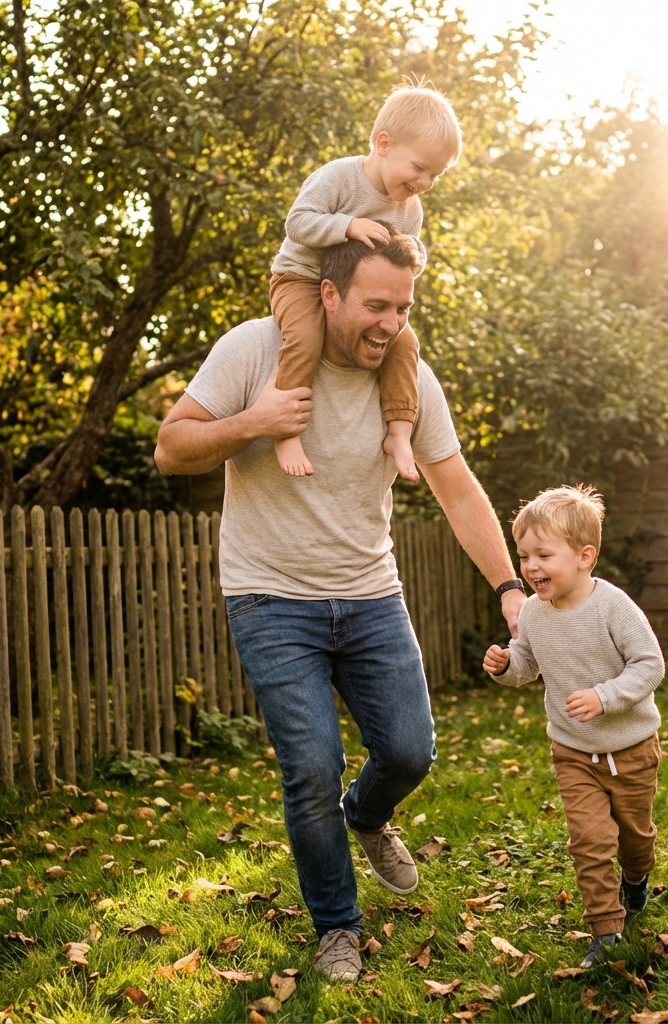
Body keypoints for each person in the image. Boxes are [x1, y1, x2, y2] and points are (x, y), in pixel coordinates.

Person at [154, 228, 526, 982]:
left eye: (404, 307)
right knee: (312, 769)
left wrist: (511, 588)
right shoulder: (255, 350)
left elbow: (456, 488)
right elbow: (171, 447)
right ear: (328, 294)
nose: (390, 324)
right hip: (269, 597)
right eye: (375, 305)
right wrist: (255, 423)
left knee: (409, 751)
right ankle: (337, 927)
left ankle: (367, 815)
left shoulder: (407, 377)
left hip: (369, 595)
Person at [483, 485, 665, 968]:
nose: (531, 567)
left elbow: (650, 665)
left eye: (544, 554)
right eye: (524, 556)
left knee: (634, 839)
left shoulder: (613, 606)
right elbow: (527, 664)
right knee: (589, 841)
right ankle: (605, 931)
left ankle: (637, 878)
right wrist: (506, 666)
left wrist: (604, 697)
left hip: (631, 748)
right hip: (573, 752)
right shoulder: (532, 615)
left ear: (585, 557)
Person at [269, 78, 462, 481]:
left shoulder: (410, 208)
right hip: (301, 277)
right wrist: (348, 225)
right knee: (304, 337)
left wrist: (415, 256)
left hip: (357, 297)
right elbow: (297, 222)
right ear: (384, 143)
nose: (424, 183)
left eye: (436, 176)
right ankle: (285, 430)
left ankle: (398, 431)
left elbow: (403, 264)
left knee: (405, 341)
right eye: (419, 168)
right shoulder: (339, 178)